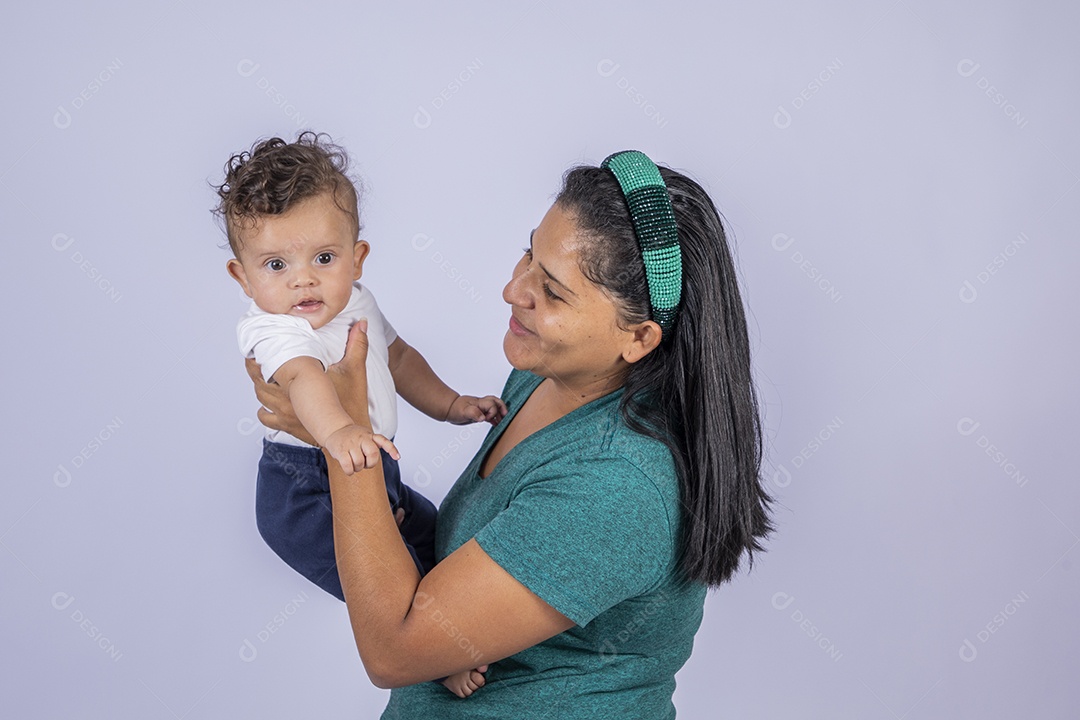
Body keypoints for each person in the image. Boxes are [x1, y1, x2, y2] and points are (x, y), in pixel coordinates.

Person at [247, 150, 774, 717]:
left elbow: (393, 653)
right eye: (529, 253)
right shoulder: (541, 374)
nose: (511, 289)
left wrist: (342, 444)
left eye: (551, 291)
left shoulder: (616, 483)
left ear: (639, 339)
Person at [216, 132, 506, 698]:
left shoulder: (355, 301)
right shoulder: (270, 326)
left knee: (437, 540)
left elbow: (396, 356)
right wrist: (341, 431)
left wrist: (449, 405)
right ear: (242, 277)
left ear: (357, 255)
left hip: (372, 464)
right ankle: (433, 658)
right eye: (276, 264)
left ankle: (463, 624)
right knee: (382, 585)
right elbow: (301, 378)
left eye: (323, 258)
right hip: (304, 488)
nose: (303, 279)